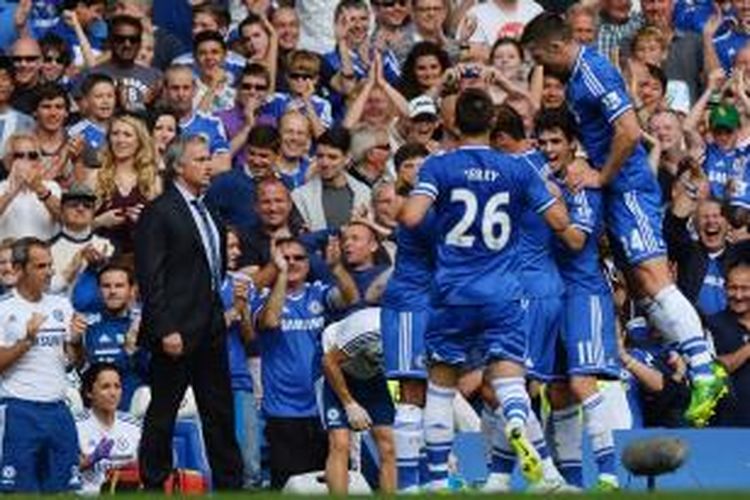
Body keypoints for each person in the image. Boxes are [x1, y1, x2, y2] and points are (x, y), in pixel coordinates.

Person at [521, 12, 728, 428]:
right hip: (618, 190)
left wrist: (602, 174)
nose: (539, 66)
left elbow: (630, 131)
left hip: (629, 186)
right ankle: (699, 362)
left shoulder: (592, 71)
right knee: (639, 284)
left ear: (558, 46)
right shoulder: (579, 77)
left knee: (653, 277)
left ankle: (705, 370)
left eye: (540, 57)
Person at [399, 88, 581, 491]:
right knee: (511, 382)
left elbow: (411, 218)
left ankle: (433, 483)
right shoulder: (516, 170)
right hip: (503, 293)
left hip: (454, 294)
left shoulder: (439, 166)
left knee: (441, 387)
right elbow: (557, 221)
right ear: (493, 125)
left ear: (452, 124)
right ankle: (517, 420)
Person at [134, 134, 243, 490]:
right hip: (176, 330)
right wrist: (166, 328)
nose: (208, 165)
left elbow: (214, 268)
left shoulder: (209, 209)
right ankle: (153, 483)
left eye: (209, 158)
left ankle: (230, 486)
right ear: (179, 167)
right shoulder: (159, 211)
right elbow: (151, 277)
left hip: (210, 326)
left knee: (220, 413)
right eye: (199, 159)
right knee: (163, 412)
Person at [535, 108, 621, 490]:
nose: (550, 148)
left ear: (573, 143)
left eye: (557, 141)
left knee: (582, 383)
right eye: (544, 141)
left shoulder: (582, 183)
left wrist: (545, 203)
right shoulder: (546, 179)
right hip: (550, 296)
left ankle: (608, 475)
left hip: (583, 294)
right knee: (557, 391)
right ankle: (571, 482)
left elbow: (576, 240)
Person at [254, 236, 359, 489]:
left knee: (329, 485)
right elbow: (270, 321)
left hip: (323, 407)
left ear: (309, 262)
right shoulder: (262, 297)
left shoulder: (318, 293)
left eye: (298, 258)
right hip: (284, 412)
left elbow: (350, 297)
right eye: (285, 258)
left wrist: (336, 269)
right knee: (292, 487)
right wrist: (279, 275)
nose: (292, 263)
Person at [0, 237, 81, 493]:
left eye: (50, 265)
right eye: (41, 266)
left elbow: (74, 361)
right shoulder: (3, 309)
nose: (49, 272)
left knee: (63, 490)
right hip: (19, 410)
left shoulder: (62, 305)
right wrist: (27, 341)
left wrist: (77, 342)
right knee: (19, 492)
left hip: (58, 408)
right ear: (19, 269)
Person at [321, 307, 396, 494]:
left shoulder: (413, 335)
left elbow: (403, 377)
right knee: (340, 443)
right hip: (335, 367)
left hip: (372, 373)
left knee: (389, 445)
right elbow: (329, 362)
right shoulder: (369, 329)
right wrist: (349, 404)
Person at [70, 263, 145, 411]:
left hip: (133, 412)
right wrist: (75, 344)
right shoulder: (86, 324)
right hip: (94, 414)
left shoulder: (143, 324)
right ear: (98, 290)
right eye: (106, 286)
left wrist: (135, 349)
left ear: (131, 290)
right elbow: (78, 366)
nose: (112, 291)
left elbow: (152, 373)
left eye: (119, 286)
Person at [75, 363, 141, 494]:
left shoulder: (134, 426)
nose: (113, 393)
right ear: (89, 392)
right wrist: (91, 459)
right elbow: (63, 473)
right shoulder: (75, 426)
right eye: (105, 387)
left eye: (117, 387)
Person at [291, 127, 371, 231]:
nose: (325, 163)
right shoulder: (300, 196)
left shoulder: (364, 193)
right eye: (320, 156)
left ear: (347, 158)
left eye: (332, 157)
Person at [706, 255, 750, 427]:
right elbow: (712, 367)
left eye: (745, 289)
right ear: (724, 288)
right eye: (733, 288)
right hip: (728, 428)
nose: (738, 295)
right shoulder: (712, 324)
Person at [48, 183, 113, 295]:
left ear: (93, 213)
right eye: (73, 205)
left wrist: (101, 267)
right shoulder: (47, 248)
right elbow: (44, 290)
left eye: (87, 206)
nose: (80, 209)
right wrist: (73, 267)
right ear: (62, 211)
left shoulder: (107, 246)